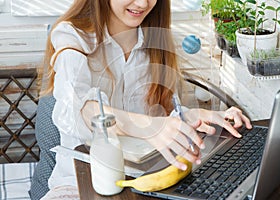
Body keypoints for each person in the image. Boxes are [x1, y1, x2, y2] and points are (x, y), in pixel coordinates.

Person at [31, 0, 252, 199]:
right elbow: (76, 109)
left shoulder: (155, 43)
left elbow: (159, 115)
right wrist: (147, 127)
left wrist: (196, 116)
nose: (143, 3)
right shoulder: (72, 37)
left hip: (144, 184)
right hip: (78, 185)